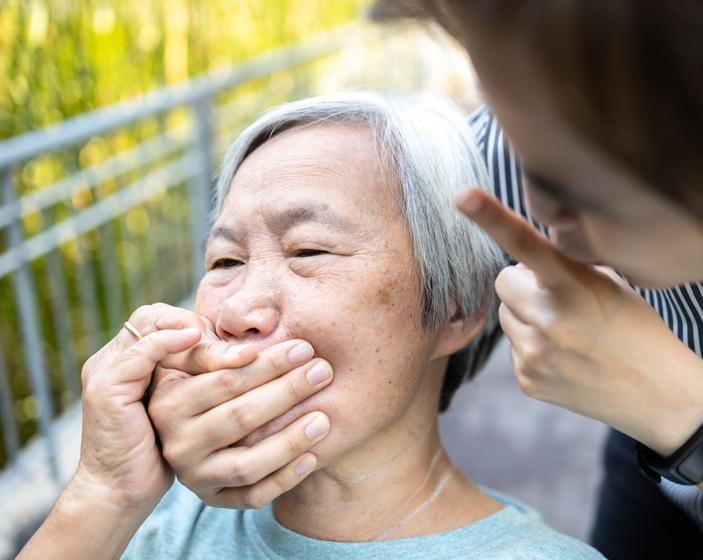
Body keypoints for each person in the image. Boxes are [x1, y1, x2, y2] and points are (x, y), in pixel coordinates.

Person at [17, 92, 605, 560]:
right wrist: (105, 491)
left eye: (310, 251)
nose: (238, 310)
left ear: (455, 306)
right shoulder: (134, 524)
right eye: (225, 261)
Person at [370, 2, 703, 560]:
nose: (536, 213)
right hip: (664, 483)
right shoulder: (573, 110)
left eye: (580, 198)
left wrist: (672, 398)